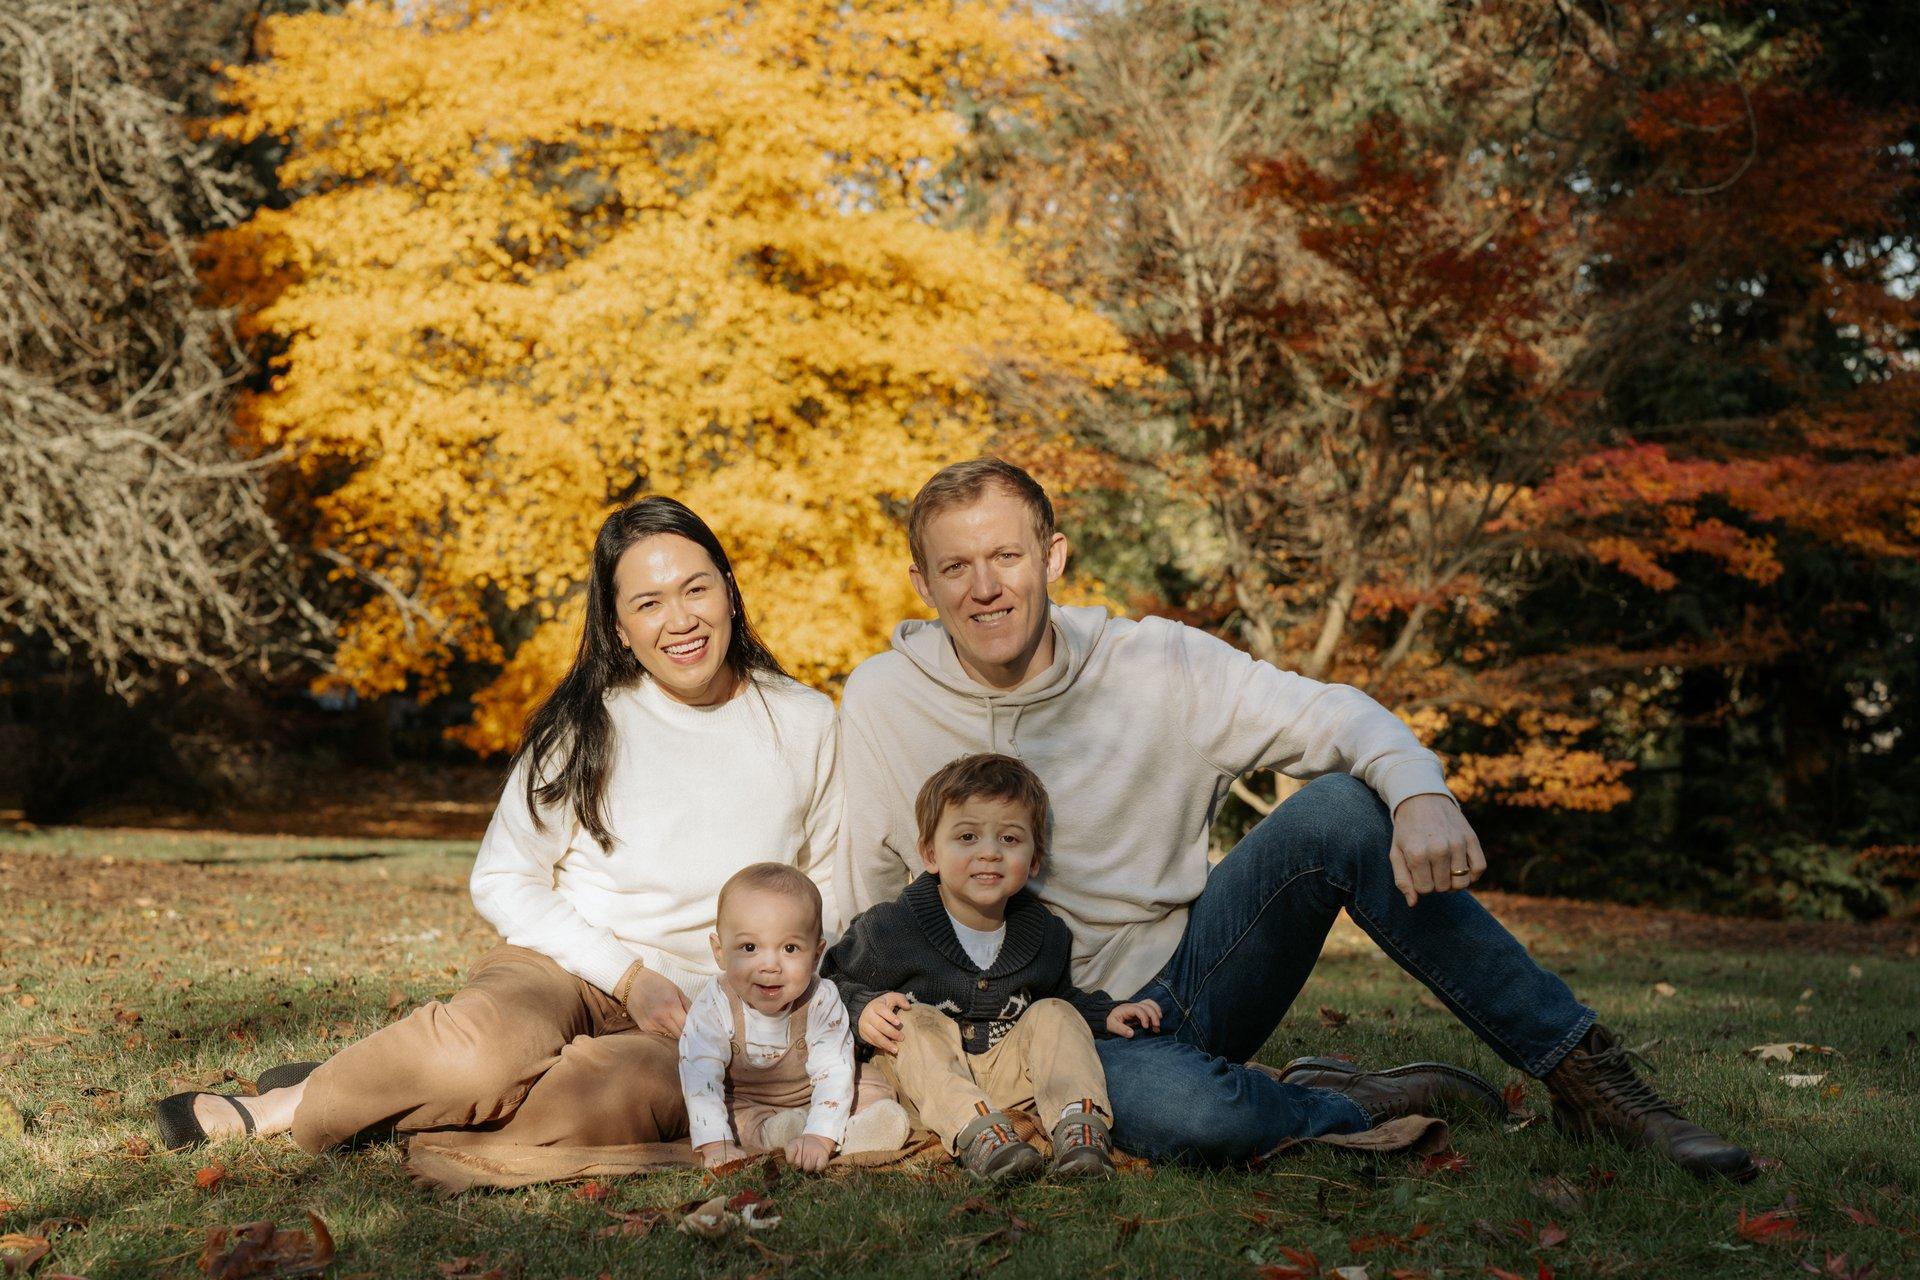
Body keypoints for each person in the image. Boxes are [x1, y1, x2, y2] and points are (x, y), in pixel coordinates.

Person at [834, 457, 1756, 1181]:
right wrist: (859, 1040)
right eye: (956, 567)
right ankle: (1341, 1101)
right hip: (1050, 1029)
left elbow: (1332, 715)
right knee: (1195, 1122)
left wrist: (1419, 790)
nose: (984, 587)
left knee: (1342, 810)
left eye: (1006, 556)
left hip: (1192, 979)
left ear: (1055, 557)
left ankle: (1588, 1077)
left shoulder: (1159, 665)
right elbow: (872, 890)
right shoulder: (884, 699)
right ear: (924, 584)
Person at [155, 496, 843, 1157]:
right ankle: (294, 1102)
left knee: (589, 1107)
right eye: (648, 604)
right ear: (620, 629)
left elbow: (832, 887)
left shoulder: (807, 722)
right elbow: (503, 879)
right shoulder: (585, 727)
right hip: (567, 970)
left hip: (712, 1009)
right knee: (482, 1058)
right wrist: (628, 977)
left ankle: (392, 1092)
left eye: (696, 590)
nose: (680, 620)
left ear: (728, 590)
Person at [826, 753, 1164, 1182]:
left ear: (1034, 860)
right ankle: (978, 1136)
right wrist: (863, 1008)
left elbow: (1057, 998)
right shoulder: (890, 929)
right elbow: (827, 982)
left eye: (1009, 839)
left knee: (1055, 1013)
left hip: (1006, 1077)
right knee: (911, 1020)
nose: (989, 853)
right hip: (924, 1082)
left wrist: (1103, 1013)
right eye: (967, 837)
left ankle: (1080, 1131)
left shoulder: (1044, 934)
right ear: (930, 853)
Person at [678, 862, 909, 1170]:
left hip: (815, 1090)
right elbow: (701, 1077)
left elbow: (833, 1071)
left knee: (867, 1083)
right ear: (719, 951)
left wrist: (819, 1137)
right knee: (735, 1116)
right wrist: (715, 1145)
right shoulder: (714, 1005)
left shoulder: (821, 999)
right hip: (749, 1098)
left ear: (816, 954)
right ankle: (778, 1132)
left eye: (789, 948)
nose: (770, 965)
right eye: (749, 947)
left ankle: (857, 1129)